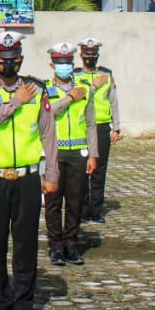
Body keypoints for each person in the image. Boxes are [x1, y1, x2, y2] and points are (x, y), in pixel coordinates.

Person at [0, 31, 58, 310]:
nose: (9, 64)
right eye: (3, 59)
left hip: (27, 177)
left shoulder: (37, 89)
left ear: (20, 58)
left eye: (14, 59)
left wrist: (52, 174)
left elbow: (48, 132)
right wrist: (16, 102)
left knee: (26, 244)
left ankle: (23, 305)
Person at [42, 42, 97, 267]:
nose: (64, 67)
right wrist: (69, 99)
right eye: (59, 63)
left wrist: (93, 153)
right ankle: (55, 245)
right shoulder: (44, 89)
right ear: (52, 65)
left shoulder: (85, 88)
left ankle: (71, 244)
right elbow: (47, 115)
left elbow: (91, 123)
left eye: (67, 63)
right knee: (53, 202)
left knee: (75, 202)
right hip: (54, 152)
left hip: (78, 152)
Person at [77, 38, 120, 223]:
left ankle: (96, 210)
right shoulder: (75, 75)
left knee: (99, 170)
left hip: (102, 126)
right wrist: (94, 87)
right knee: (81, 170)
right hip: (82, 127)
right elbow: (77, 96)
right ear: (81, 55)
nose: (90, 58)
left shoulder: (107, 74)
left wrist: (116, 127)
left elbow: (114, 101)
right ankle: (82, 209)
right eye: (87, 54)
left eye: (93, 54)